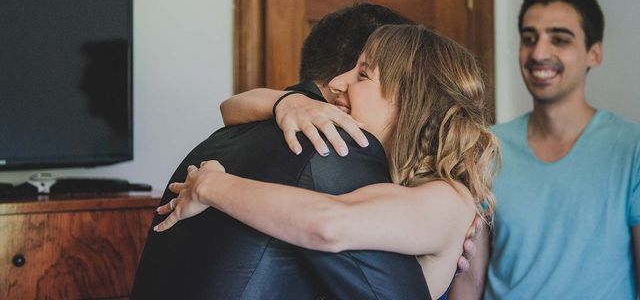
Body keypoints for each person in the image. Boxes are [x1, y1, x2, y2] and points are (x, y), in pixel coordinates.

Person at [155, 24, 501, 300]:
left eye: (363, 74)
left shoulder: (448, 199)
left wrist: (212, 186)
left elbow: (328, 224)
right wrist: (285, 103)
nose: (337, 83)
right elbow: (231, 108)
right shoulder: (390, 180)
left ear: (412, 102)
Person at [448, 0, 640, 299]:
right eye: (529, 38)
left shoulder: (631, 148)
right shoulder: (486, 147)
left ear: (595, 53)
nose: (538, 53)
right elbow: (469, 280)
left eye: (559, 39)